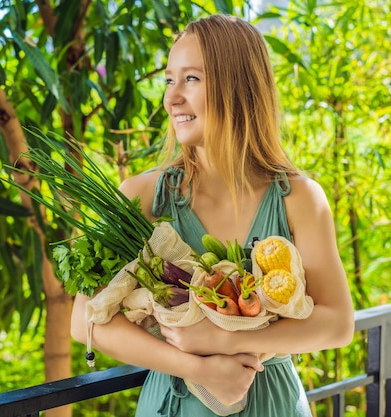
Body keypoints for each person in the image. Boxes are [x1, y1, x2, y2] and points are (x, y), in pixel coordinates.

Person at [71, 14, 354, 416]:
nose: (171, 99)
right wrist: (194, 364)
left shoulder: (299, 198)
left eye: (191, 79)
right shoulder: (142, 196)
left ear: (238, 85)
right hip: (174, 402)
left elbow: (338, 323)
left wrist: (222, 341)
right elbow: (85, 319)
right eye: (170, 80)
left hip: (273, 404)